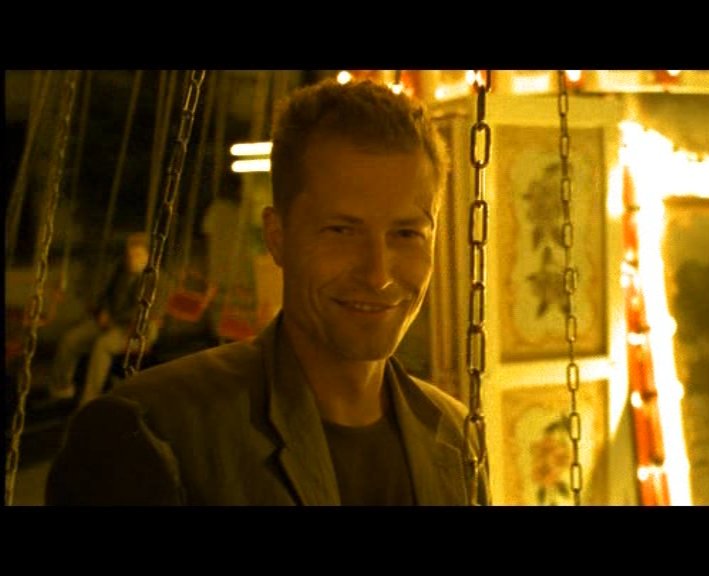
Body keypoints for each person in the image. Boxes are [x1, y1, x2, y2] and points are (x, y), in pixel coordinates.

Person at [46, 79, 489, 506]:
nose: (378, 275)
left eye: (407, 234)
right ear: (277, 237)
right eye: (341, 231)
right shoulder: (156, 432)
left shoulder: (454, 436)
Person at [44, 232, 155, 408]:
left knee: (102, 346)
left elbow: (142, 311)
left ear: (148, 256)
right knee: (71, 339)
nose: (132, 259)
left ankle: (89, 399)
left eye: (138, 255)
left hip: (134, 328)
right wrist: (103, 310)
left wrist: (113, 320)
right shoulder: (122, 270)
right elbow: (107, 293)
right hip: (109, 320)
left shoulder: (153, 279)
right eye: (130, 255)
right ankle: (61, 388)